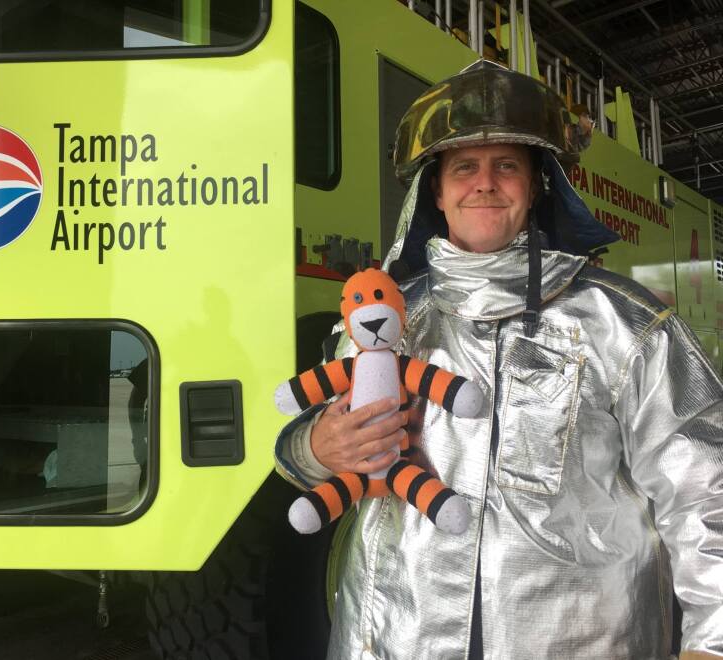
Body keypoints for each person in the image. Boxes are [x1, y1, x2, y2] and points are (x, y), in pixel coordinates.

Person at [274, 60, 723, 660]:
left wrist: (711, 643)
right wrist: (314, 448)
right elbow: (304, 456)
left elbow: (705, 493)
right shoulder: (384, 318)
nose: (484, 183)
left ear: (537, 185)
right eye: (464, 167)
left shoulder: (626, 325)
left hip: (585, 640)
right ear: (435, 190)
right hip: (396, 639)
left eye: (506, 165)